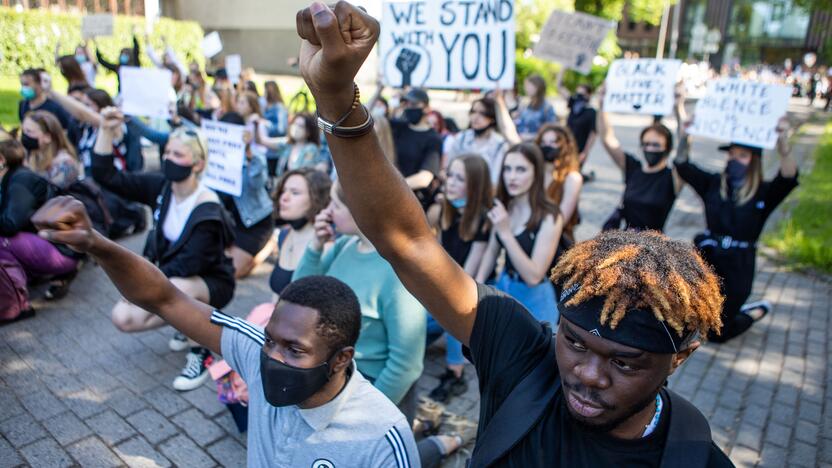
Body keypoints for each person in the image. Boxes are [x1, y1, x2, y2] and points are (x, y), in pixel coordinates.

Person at [291, 5, 733, 466]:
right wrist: (337, 96)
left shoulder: (696, 459)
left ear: (680, 357)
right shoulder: (524, 358)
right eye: (575, 341)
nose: (587, 374)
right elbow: (407, 241)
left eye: (623, 362)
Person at [30, 196, 419, 466]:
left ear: (342, 359)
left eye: (295, 351)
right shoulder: (254, 353)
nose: (272, 359)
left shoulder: (382, 436)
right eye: (270, 340)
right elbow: (165, 298)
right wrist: (96, 243)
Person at [91, 108, 235, 392]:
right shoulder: (162, 187)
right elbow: (107, 176)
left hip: (210, 283)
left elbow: (188, 265)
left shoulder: (209, 208)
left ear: (198, 163)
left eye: (178, 155)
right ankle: (186, 323)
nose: (169, 159)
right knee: (123, 317)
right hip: (172, 276)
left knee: (179, 287)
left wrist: (139, 285)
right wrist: (105, 130)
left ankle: (201, 351)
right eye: (167, 152)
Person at [294, 181, 426, 417]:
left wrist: (366, 412)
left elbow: (406, 364)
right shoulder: (345, 245)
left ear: (359, 210)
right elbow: (300, 298)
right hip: (335, 376)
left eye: (335, 204)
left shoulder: (397, 274)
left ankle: (442, 442)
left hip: (372, 390)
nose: (327, 211)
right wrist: (315, 246)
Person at [676, 114, 798, 343]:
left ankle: (754, 312)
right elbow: (682, 165)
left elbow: (789, 176)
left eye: (742, 156)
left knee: (718, 333)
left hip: (739, 266)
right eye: (731, 154)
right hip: (709, 259)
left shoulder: (763, 192)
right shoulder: (713, 184)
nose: (734, 159)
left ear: (754, 160)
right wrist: (686, 134)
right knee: (688, 321)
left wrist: (783, 143)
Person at [425, 154, 492, 403]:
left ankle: (455, 373)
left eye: (459, 178)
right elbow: (439, 258)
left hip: (473, 290)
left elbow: (468, 276)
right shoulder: (446, 210)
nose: (450, 182)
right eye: (450, 175)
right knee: (418, 325)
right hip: (447, 284)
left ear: (474, 185)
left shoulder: (483, 219)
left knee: (454, 309)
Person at [475, 143, 563, 324]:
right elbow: (491, 251)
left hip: (535, 300)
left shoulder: (550, 216)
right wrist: (477, 287)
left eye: (521, 169)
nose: (511, 177)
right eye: (507, 169)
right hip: (505, 287)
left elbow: (534, 276)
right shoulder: (505, 205)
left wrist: (506, 233)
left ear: (536, 173)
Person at [0, 136, 79, 311]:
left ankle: (15, 304)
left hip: (63, 253)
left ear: (1, 160)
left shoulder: (21, 181)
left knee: (2, 242)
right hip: (44, 244)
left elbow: (10, 225)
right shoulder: (9, 178)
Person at [596, 85, 682, 232]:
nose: (650, 149)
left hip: (653, 248)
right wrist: (603, 106)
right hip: (624, 244)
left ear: (667, 148)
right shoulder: (633, 168)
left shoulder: (672, 177)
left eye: (656, 145)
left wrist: (678, 109)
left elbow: (683, 149)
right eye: (646, 144)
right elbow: (607, 138)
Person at [218, 106, 276, 279]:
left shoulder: (254, 156)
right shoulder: (215, 156)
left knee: (234, 273)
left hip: (254, 221)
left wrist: (249, 154)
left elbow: (258, 182)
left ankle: (266, 249)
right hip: (230, 221)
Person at [269, 168, 332, 299]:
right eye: (283, 191)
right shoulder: (284, 235)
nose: (284, 198)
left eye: (295, 193)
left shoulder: (326, 248)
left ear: (316, 199)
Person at [387, 88, 443, 208]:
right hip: (390, 197)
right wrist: (379, 90)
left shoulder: (433, 139)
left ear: (427, 108)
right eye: (406, 104)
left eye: (414, 104)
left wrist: (391, 188)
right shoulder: (399, 128)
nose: (409, 107)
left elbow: (425, 178)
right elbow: (369, 119)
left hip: (414, 202)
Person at [536, 124, 582, 247]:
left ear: (564, 146)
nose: (547, 147)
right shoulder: (535, 173)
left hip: (556, 241)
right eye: (544, 142)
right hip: (530, 236)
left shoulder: (572, 178)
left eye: (553, 142)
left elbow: (561, 219)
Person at [445, 97, 508, 185]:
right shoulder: (461, 138)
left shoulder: (500, 144)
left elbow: (495, 179)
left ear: (492, 118)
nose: (475, 117)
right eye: (473, 112)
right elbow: (448, 167)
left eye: (482, 113)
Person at [21, 111, 83, 189]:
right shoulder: (33, 155)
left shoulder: (65, 164)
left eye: (29, 132)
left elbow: (50, 193)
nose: (24, 136)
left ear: (47, 137)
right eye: (23, 131)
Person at [257, 112, 329, 176]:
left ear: (309, 131)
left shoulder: (311, 148)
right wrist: (258, 123)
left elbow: (304, 173)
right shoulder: (287, 145)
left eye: (301, 126)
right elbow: (263, 141)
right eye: (294, 124)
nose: (296, 128)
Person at [565, 84, 598, 174]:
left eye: (582, 94)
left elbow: (593, 133)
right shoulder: (573, 106)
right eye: (577, 94)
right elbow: (559, 86)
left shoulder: (591, 112)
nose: (579, 97)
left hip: (579, 148)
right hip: (566, 146)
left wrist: (585, 152)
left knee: (574, 173)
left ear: (589, 95)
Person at [513, 74, 557, 140]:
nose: (525, 88)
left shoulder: (547, 108)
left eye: (528, 85)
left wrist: (531, 136)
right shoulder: (526, 104)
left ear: (537, 87)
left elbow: (550, 132)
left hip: (534, 146)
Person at [262, 80, 289, 174]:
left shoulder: (279, 107)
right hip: (266, 149)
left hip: (275, 151)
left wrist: (266, 125)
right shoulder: (266, 106)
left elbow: (281, 128)